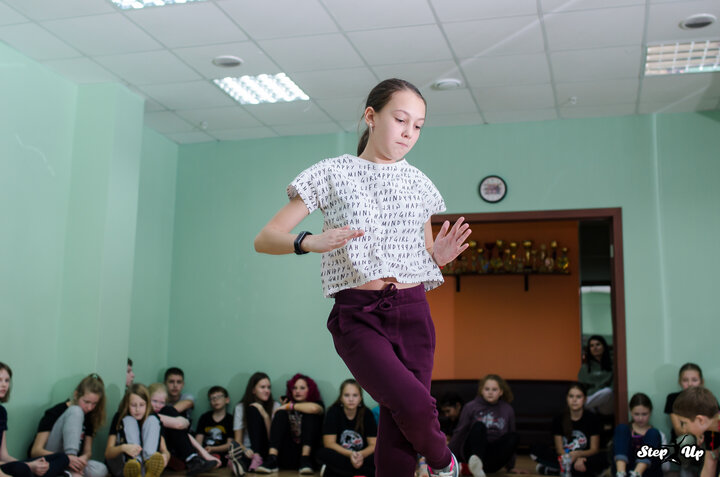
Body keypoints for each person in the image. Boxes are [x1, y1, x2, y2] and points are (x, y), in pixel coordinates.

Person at [254, 78, 471, 477]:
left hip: (413, 311)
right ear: (371, 116)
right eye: (401, 120)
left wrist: (436, 258)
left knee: (398, 428)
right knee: (414, 406)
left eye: (418, 125)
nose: (409, 132)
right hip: (358, 315)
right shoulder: (331, 173)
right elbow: (265, 238)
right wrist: (310, 241)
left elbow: (420, 258)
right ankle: (445, 462)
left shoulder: (419, 184)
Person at [29, 374, 108, 477]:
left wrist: (82, 459)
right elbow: (35, 451)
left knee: (101, 469)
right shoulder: (56, 412)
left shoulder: (89, 416)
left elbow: (87, 452)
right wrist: (67, 459)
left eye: (94, 404)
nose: (89, 408)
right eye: (86, 402)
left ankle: (68, 472)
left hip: (71, 462)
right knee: (76, 410)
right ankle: (71, 467)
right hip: (51, 459)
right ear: (76, 395)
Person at [0, 362, 69, 477]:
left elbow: (3, 455)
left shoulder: (2, 412)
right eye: (0, 380)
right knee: (22, 469)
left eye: (6, 380)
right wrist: (28, 466)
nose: (4, 385)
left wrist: (30, 464)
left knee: (62, 458)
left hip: (4, 464)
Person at [448, 375, 520, 477]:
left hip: (492, 456)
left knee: (514, 436)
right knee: (479, 426)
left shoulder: (507, 409)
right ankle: (475, 464)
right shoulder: (470, 407)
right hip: (473, 452)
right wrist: (448, 460)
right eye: (487, 389)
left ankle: (476, 468)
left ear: (501, 392)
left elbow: (510, 435)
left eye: (494, 389)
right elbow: (459, 432)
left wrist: (511, 466)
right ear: (481, 390)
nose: (490, 392)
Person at [255, 374, 324, 474]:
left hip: (310, 456)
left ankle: (305, 459)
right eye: (294, 388)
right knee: (281, 413)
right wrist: (286, 407)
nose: (297, 391)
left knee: (309, 414)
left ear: (310, 390)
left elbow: (314, 409)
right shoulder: (286, 407)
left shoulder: (317, 404)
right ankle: (272, 459)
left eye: (302, 388)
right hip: (289, 454)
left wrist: (288, 406)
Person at [532, 383, 606, 476]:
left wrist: (578, 455)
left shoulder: (592, 419)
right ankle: (581, 471)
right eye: (571, 396)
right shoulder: (559, 419)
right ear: (567, 398)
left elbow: (594, 449)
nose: (574, 400)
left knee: (604, 457)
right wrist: (569, 458)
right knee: (536, 449)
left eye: (578, 397)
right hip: (564, 458)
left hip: (584, 458)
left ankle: (554, 470)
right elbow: (559, 449)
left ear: (585, 399)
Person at [147, 383, 217, 476]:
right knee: (168, 411)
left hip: (169, 446)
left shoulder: (161, 411)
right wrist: (184, 421)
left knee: (168, 410)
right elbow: (180, 425)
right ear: (147, 399)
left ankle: (193, 458)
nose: (158, 406)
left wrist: (204, 454)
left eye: (162, 402)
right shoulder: (149, 415)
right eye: (155, 401)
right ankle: (191, 459)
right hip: (156, 450)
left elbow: (184, 432)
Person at [105, 384, 168, 477]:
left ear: (147, 404)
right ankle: (135, 463)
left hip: (145, 468)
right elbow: (108, 453)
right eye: (133, 405)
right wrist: (123, 448)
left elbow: (165, 450)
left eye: (142, 405)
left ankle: (149, 463)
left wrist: (165, 457)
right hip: (123, 465)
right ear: (127, 404)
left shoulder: (153, 418)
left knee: (152, 420)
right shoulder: (120, 417)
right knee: (129, 420)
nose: (137, 409)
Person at [316, 379, 377, 477]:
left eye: (355, 395)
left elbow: (373, 444)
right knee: (322, 453)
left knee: (380, 456)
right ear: (341, 398)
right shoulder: (333, 412)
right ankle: (366, 473)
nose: (351, 399)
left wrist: (360, 455)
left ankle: (333, 472)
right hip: (342, 454)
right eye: (347, 395)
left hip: (362, 455)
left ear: (360, 398)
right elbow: (329, 443)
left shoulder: (367, 413)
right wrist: (351, 454)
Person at [229, 373, 281, 475]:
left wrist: (264, 414)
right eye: (262, 387)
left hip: (267, 450)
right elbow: (238, 440)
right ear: (253, 390)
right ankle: (239, 464)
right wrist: (245, 450)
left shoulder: (275, 406)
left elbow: (272, 438)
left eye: (268, 387)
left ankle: (255, 459)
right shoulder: (240, 407)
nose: (267, 390)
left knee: (254, 410)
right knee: (252, 409)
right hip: (249, 451)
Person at [672, 387, 720, 477]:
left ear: (700, 420)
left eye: (684, 423)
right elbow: (709, 465)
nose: (684, 429)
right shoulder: (711, 432)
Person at [612, 393, 663, 477]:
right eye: (636, 414)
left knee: (653, 433)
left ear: (650, 412)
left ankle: (637, 473)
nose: (640, 418)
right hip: (627, 471)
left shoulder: (657, 434)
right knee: (621, 428)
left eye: (644, 414)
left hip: (648, 473)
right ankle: (620, 473)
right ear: (630, 412)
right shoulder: (624, 432)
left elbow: (665, 466)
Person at [195, 387, 233, 466]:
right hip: (204, 451)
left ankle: (211, 462)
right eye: (212, 398)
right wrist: (201, 451)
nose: (215, 400)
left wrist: (213, 449)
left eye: (219, 397)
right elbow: (198, 440)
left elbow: (229, 445)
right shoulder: (204, 418)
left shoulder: (230, 419)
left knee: (223, 458)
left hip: (221, 452)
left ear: (227, 400)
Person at [578, 336, 613, 416]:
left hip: (606, 405)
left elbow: (613, 388)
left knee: (608, 391)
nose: (595, 348)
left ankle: (579, 405)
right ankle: (580, 404)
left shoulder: (612, 367)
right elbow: (581, 388)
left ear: (604, 347)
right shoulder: (584, 368)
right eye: (592, 346)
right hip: (590, 402)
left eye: (598, 344)